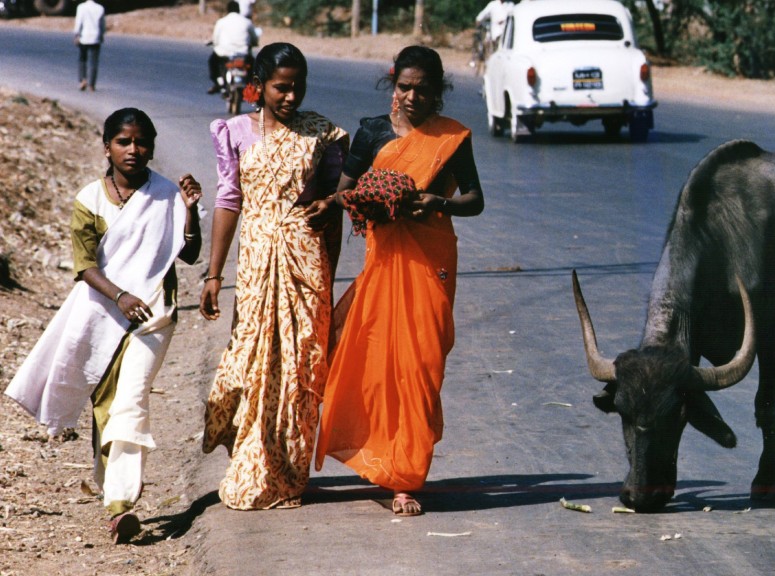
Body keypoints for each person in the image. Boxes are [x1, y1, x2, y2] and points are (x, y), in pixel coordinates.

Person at [5, 108, 203, 544]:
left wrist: (189, 212)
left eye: (142, 142)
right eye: (124, 142)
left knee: (131, 401)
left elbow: (187, 256)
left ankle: (120, 504)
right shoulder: (89, 200)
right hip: (102, 316)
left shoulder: (167, 194)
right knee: (107, 406)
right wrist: (120, 296)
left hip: (154, 317)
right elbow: (84, 268)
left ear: (151, 146)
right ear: (107, 146)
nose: (134, 150)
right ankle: (111, 490)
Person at [310, 45, 485, 517]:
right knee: (377, 364)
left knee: (421, 367)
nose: (412, 97)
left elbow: (474, 199)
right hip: (384, 260)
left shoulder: (452, 138)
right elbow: (345, 193)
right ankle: (392, 473)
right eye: (404, 87)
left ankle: (407, 474)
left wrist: (436, 203)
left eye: (423, 90)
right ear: (394, 85)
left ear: (438, 93)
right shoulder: (371, 132)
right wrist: (358, 201)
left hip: (431, 259)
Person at [200, 42, 348, 510]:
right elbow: (228, 202)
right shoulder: (236, 131)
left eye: (298, 87)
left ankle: (289, 472)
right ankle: (252, 458)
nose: (291, 97)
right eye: (282, 88)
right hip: (258, 263)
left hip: (306, 264)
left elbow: (332, 212)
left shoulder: (321, 134)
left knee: (300, 367)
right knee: (250, 363)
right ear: (259, 87)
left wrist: (329, 274)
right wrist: (213, 274)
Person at [207, 1, 259, 95]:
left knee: (212, 62)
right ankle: (252, 85)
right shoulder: (247, 22)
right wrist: (254, 43)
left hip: (224, 53)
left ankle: (219, 83)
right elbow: (254, 38)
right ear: (239, 10)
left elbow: (215, 39)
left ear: (227, 10)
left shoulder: (221, 22)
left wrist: (214, 43)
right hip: (243, 53)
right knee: (253, 66)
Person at [74, 0, 105, 91]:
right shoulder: (100, 8)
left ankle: (82, 80)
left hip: (84, 37)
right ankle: (92, 84)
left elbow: (78, 22)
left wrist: (76, 35)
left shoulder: (81, 7)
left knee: (82, 59)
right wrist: (102, 35)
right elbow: (102, 24)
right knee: (94, 62)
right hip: (95, 37)